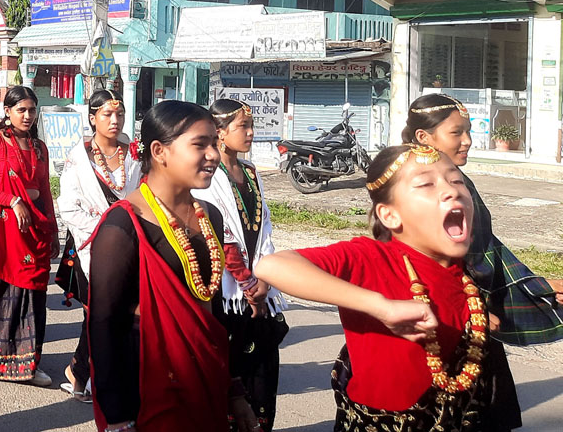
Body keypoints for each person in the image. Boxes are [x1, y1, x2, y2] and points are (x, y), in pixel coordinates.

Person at [256, 144, 501, 431]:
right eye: (425, 184)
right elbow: (272, 266)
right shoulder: (370, 258)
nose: (451, 190)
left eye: (456, 180)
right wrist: (380, 306)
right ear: (389, 215)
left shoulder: (467, 271)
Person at [88, 101, 257, 432]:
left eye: (213, 142)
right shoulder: (123, 226)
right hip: (150, 386)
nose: (212, 154)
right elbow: (105, 327)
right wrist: (118, 418)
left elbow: (214, 310)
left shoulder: (210, 214)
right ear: (159, 151)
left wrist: (234, 391)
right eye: (200, 144)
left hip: (205, 378)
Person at [402, 93, 563, 429]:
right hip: (437, 321)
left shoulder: (454, 179)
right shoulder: (412, 185)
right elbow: (415, 263)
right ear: (424, 137)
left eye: (469, 131)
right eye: (457, 133)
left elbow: (484, 249)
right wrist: (463, 310)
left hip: (471, 315)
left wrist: (537, 286)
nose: (468, 141)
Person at [192, 98, 288, 431]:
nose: (249, 134)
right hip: (228, 287)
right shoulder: (209, 174)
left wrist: (264, 276)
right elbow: (222, 235)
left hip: (258, 282)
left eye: (251, 127)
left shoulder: (249, 171)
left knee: (263, 366)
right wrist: (248, 284)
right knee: (232, 367)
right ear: (219, 133)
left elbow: (265, 229)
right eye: (242, 127)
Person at [55, 90, 143, 402]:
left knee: (120, 311)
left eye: (118, 114)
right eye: (106, 115)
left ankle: (85, 372)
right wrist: (108, 232)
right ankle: (88, 373)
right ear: (92, 119)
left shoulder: (133, 153)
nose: (114, 121)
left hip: (132, 244)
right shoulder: (79, 159)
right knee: (102, 311)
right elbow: (68, 207)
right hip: (94, 246)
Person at [0, 85, 58, 386]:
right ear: (7, 112)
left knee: (34, 296)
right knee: (4, 293)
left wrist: (54, 231)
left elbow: (45, 190)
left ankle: (27, 364)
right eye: (21, 109)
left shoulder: (40, 148)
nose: (27, 115)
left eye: (32, 110)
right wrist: (13, 200)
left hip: (35, 228)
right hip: (5, 229)